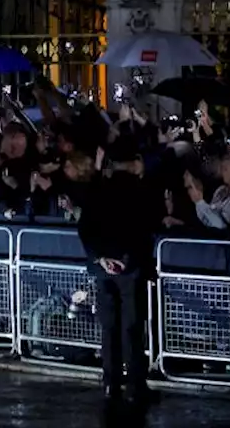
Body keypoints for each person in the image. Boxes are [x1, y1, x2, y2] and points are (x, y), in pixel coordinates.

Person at [77, 136, 160, 406]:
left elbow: (86, 229)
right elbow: (142, 229)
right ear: (134, 162)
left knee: (109, 327)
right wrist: (125, 259)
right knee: (132, 327)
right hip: (130, 268)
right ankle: (135, 384)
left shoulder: (97, 189)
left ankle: (111, 383)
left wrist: (101, 258)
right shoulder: (140, 189)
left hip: (104, 269)